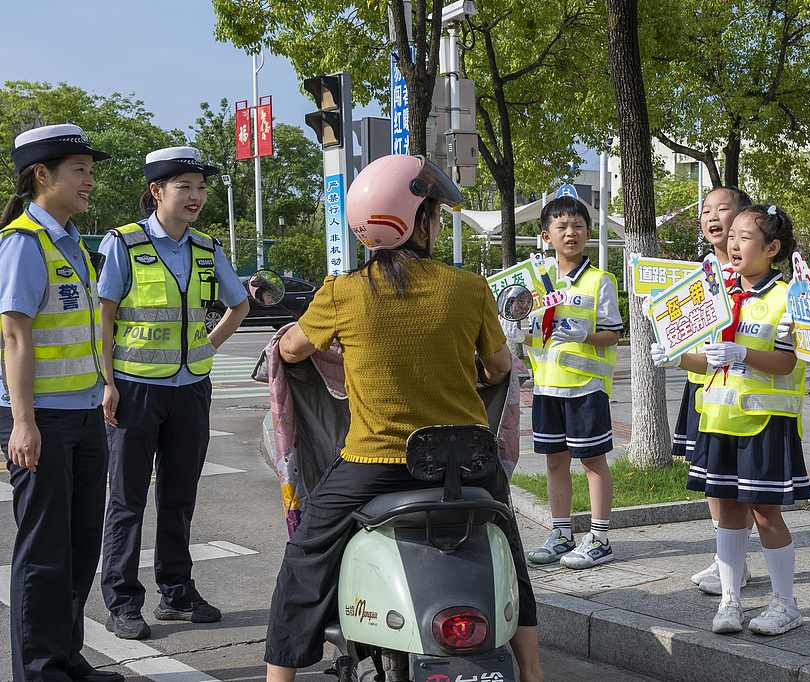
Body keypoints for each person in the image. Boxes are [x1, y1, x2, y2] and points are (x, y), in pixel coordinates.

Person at [264, 154, 543, 682]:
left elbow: (295, 350)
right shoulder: (471, 288)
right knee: (509, 545)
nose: (436, 225)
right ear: (417, 221)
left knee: (305, 555)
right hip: (468, 465)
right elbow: (501, 367)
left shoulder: (340, 293)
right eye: (434, 215)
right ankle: (533, 672)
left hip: (376, 464)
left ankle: (280, 679)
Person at [96, 147, 250, 639]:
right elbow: (104, 316)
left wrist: (205, 347)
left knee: (180, 496)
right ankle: (122, 601)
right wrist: (107, 382)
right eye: (186, 187)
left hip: (190, 390)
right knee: (127, 499)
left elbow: (239, 305)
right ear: (157, 191)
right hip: (135, 391)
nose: (197, 197)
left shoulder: (207, 248)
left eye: (201, 188)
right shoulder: (125, 244)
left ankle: (177, 592)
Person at [0, 124, 124, 682]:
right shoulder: (23, 242)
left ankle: (67, 658)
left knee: (78, 546)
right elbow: (15, 336)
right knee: (44, 551)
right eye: (80, 171)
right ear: (42, 176)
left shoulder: (71, 241)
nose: (90, 182)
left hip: (81, 414)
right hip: (41, 418)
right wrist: (22, 422)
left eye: (91, 172)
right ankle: (40, 670)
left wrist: (101, 389)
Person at [653, 204, 810, 636]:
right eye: (733, 236)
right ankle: (730, 601)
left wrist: (743, 353)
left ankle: (785, 603)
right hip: (718, 419)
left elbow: (789, 361)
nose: (734, 244)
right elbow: (705, 362)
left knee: (765, 513)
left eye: (745, 236)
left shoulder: (788, 297)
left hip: (764, 423)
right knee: (728, 512)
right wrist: (674, 356)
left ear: (772, 248)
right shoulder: (716, 292)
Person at [502, 195, 623, 569]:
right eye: (561, 227)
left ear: (588, 232)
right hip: (546, 387)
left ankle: (600, 537)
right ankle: (561, 533)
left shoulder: (599, 281)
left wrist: (584, 335)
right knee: (554, 462)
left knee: (591, 460)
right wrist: (516, 331)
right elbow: (532, 334)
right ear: (545, 236)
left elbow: (613, 334)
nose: (570, 233)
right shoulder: (535, 284)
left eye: (578, 226)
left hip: (585, 388)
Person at [662, 186, 758, 595]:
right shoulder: (699, 273)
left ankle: (736, 561)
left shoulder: (754, 273)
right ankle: (727, 561)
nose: (713, 218)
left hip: (740, 395)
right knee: (709, 478)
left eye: (724, 210)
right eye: (706, 211)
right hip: (702, 388)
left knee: (741, 484)